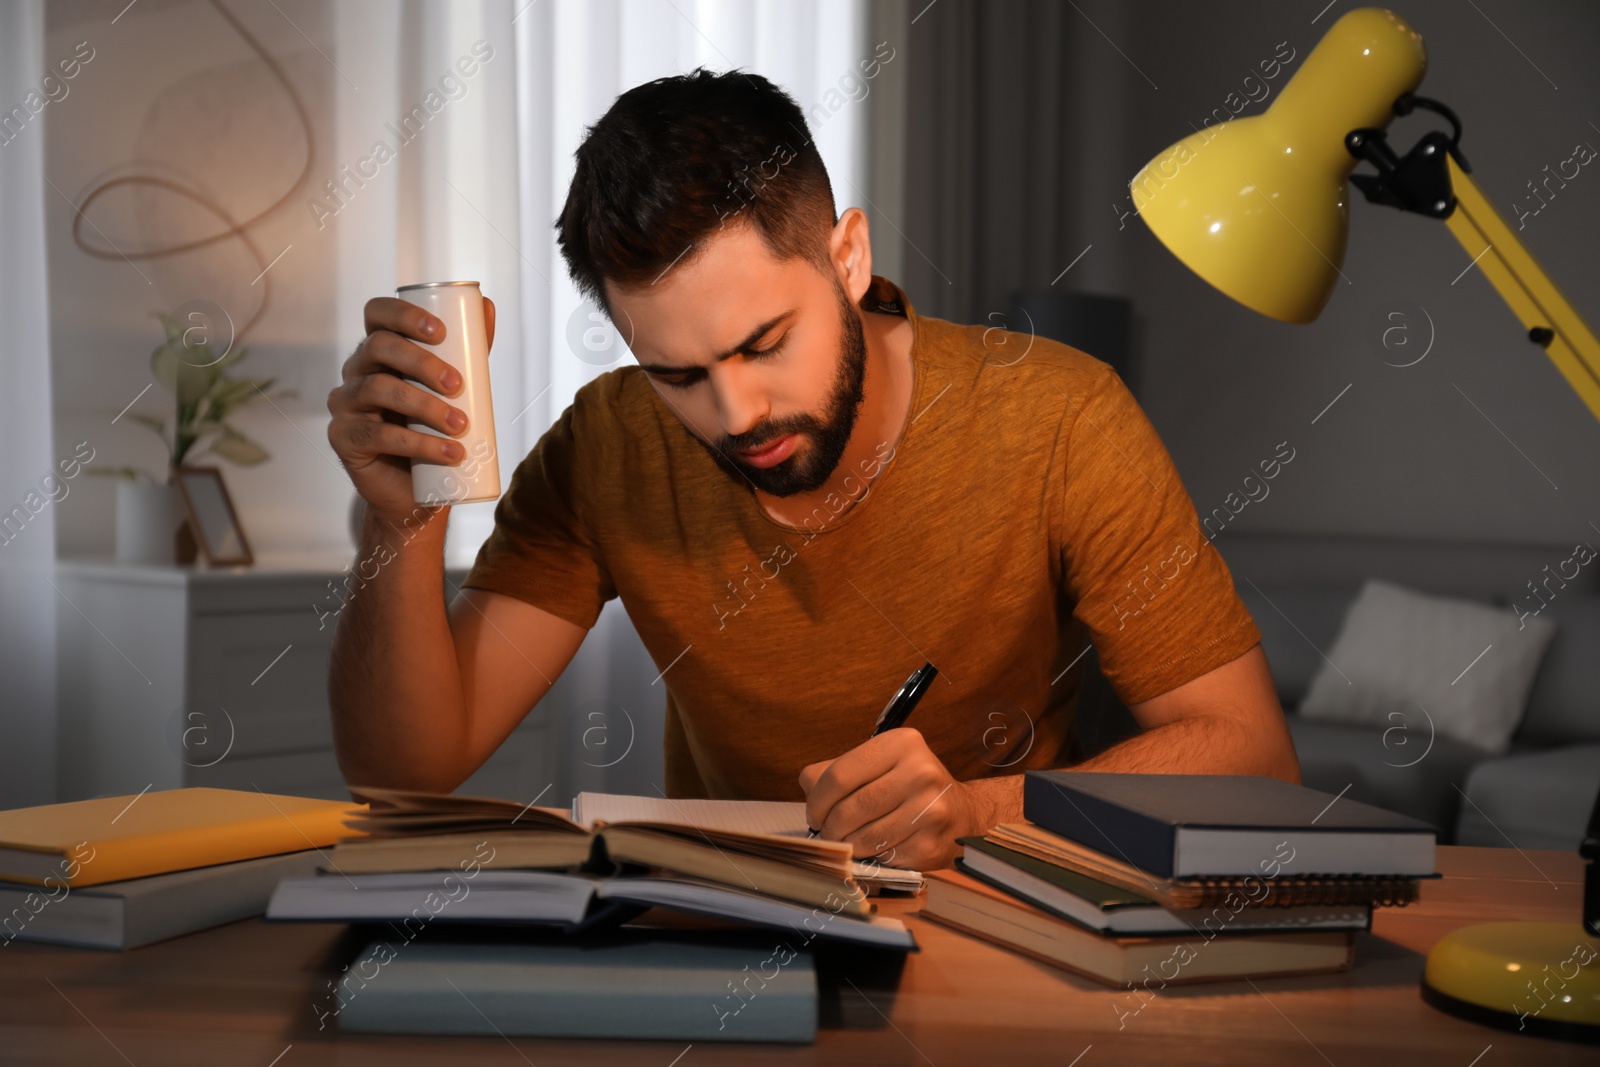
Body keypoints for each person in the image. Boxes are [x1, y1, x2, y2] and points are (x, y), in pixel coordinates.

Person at [325, 67, 1299, 872]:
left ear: (848, 256)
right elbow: (408, 767)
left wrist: (972, 807)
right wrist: (397, 527)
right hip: (727, 928)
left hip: (1009, 922)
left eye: (763, 343)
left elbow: (1253, 759)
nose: (736, 412)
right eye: (677, 374)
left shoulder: (1059, 415)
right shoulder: (608, 443)